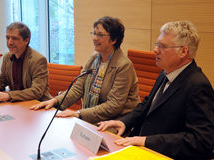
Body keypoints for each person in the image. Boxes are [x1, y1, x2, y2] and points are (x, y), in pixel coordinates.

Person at [97, 21, 214, 159]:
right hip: (139, 149)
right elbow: (148, 105)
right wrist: (124, 121)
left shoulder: (198, 85)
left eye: (162, 46)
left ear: (183, 51)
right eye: (157, 44)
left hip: (161, 154)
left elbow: (201, 141)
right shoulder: (166, 72)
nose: (155, 50)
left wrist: (146, 141)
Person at [31, 16, 141, 125]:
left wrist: (79, 114)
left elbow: (114, 105)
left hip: (116, 121)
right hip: (93, 117)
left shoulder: (123, 66)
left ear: (114, 40)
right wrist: (54, 101)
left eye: (100, 35)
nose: (95, 38)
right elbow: (77, 89)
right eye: (94, 33)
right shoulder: (94, 58)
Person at [0, 22, 52, 102]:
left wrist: (9, 95)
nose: (10, 42)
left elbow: (36, 92)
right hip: (18, 103)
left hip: (38, 104)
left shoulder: (38, 60)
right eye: (8, 38)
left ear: (26, 40)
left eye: (14, 38)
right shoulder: (7, 57)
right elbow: (1, 81)